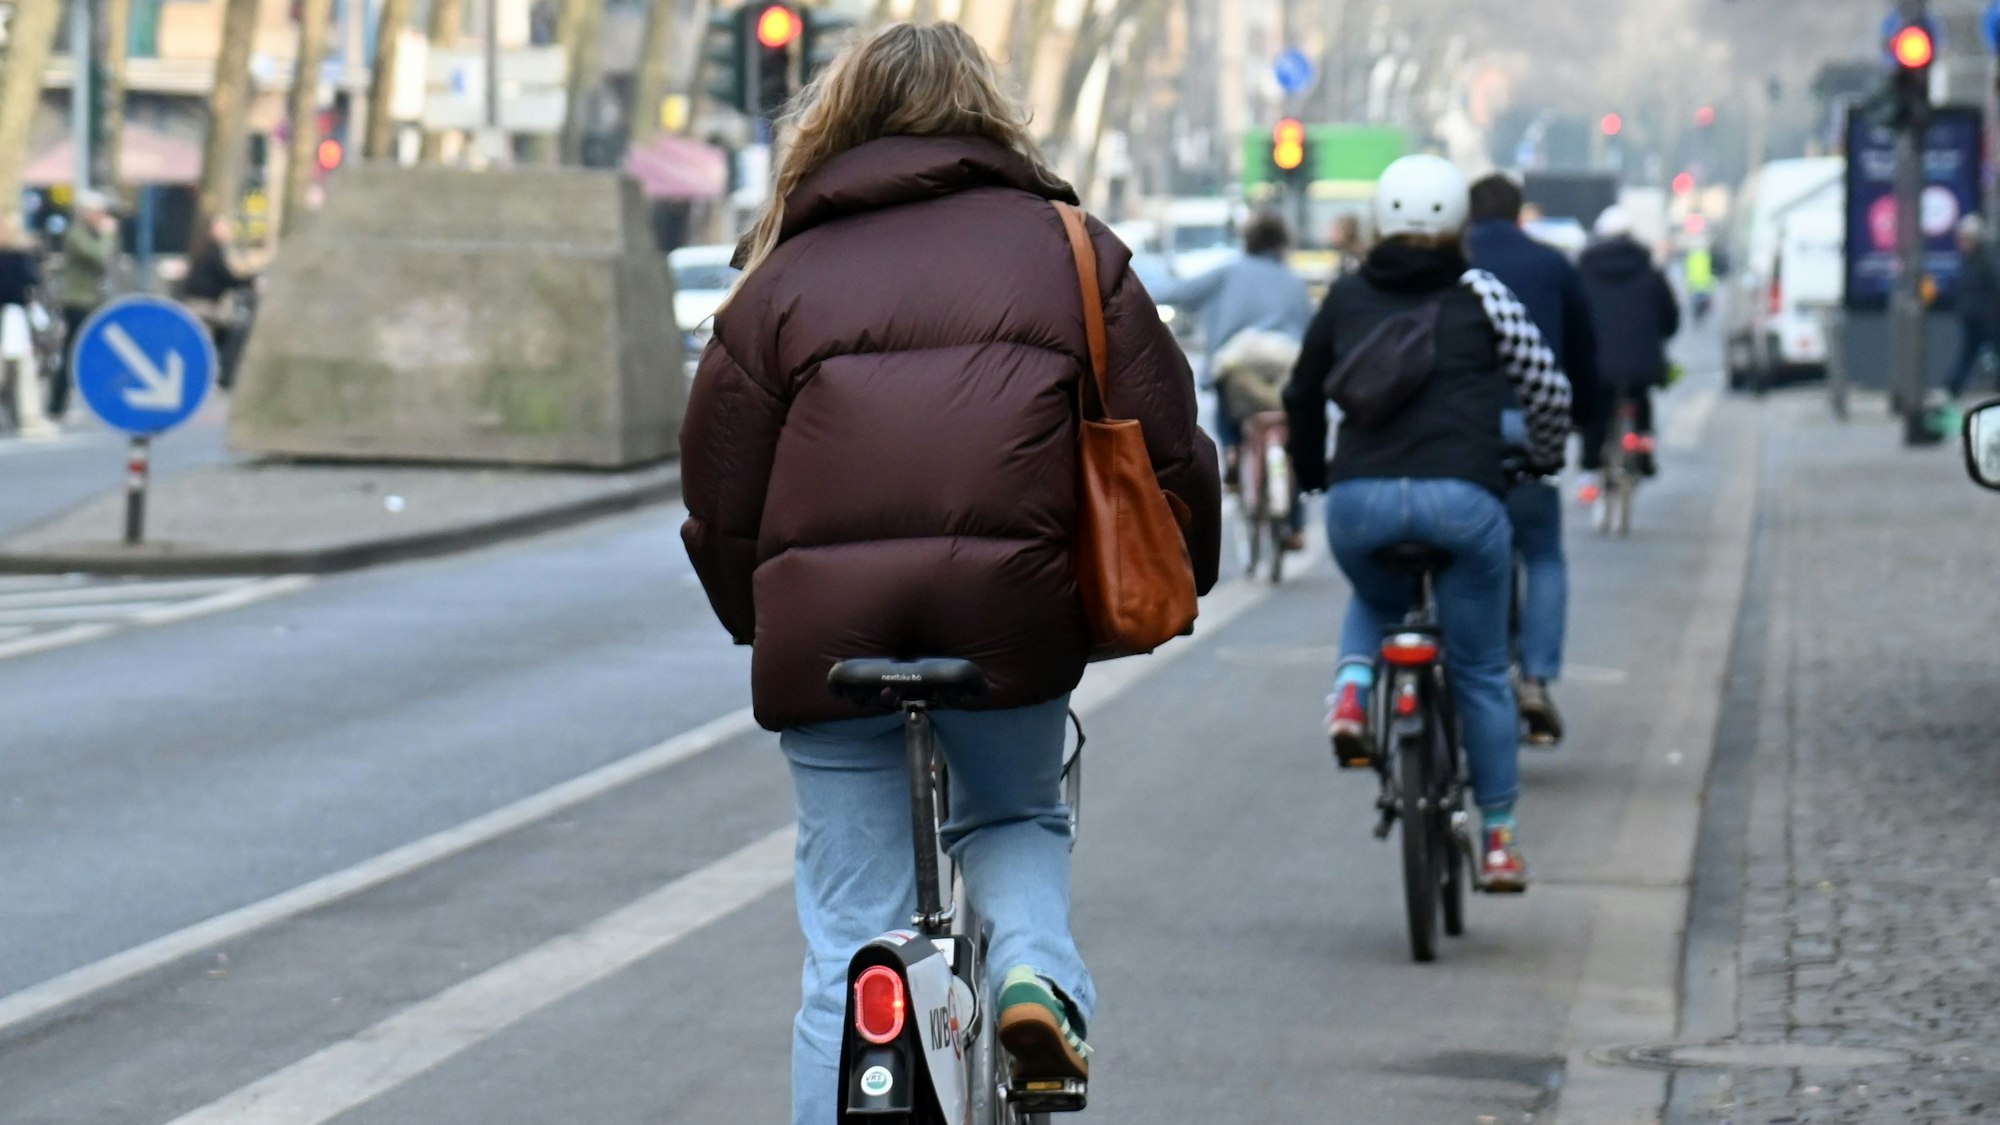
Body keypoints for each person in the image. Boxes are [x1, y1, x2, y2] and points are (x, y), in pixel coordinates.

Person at [676, 23, 1221, 1125]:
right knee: (1014, 811)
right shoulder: (1068, 248)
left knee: (843, 944)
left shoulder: (783, 272)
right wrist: (1183, 568)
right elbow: (1164, 438)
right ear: (987, 114)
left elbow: (720, 487)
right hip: (1008, 618)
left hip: (828, 642)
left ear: (837, 121)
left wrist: (760, 619)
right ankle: (1030, 977)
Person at [1285, 154, 1572, 892]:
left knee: (1376, 597)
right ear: (1458, 227)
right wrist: (1540, 457)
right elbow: (1547, 388)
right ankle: (1501, 840)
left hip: (1361, 501)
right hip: (1465, 499)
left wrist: (1318, 472)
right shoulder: (1483, 296)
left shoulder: (1346, 295)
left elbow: (1302, 392)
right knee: (1480, 671)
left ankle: (1352, 691)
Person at [1466, 173, 1602, 744]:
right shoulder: (1551, 264)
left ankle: (1476, 671)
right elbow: (1583, 350)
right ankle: (1537, 678)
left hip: (1460, 432)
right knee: (1542, 551)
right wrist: (1584, 422)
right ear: (1519, 213)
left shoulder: (1453, 264)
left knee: (1469, 556)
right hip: (1531, 423)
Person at [1154, 210, 1314, 473]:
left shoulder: (1228, 272)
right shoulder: (1295, 281)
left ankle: (1231, 451)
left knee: (1224, 390)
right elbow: (1310, 328)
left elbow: (1178, 292)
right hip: (1288, 355)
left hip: (1241, 357)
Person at [1577, 205, 1678, 484]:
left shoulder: (1584, 272)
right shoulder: (1649, 271)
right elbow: (1669, 317)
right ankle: (1643, 449)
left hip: (1597, 366)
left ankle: (1589, 469)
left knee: (1597, 411)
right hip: (1642, 363)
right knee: (1640, 398)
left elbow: (1574, 318)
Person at [53, 190, 118, 420]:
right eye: (98, 212)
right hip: (77, 301)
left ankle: (71, 400)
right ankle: (56, 403)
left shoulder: (93, 234)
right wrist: (109, 235)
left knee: (86, 350)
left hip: (91, 301)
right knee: (72, 350)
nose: (102, 217)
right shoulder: (77, 235)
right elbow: (99, 255)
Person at [179, 218, 262, 389]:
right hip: (203, 304)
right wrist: (250, 281)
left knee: (217, 332)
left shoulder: (203, 249)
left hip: (196, 301)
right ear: (214, 231)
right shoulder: (213, 251)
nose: (227, 232)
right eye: (224, 229)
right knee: (231, 330)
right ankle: (224, 370)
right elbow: (226, 276)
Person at [1947, 214, 2000, 399]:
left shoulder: (1986, 260)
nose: (1962, 243)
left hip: (1987, 319)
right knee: (1967, 354)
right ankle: (1953, 387)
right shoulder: (1968, 261)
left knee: (1986, 353)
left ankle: (1953, 387)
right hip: (1973, 317)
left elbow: (1992, 289)